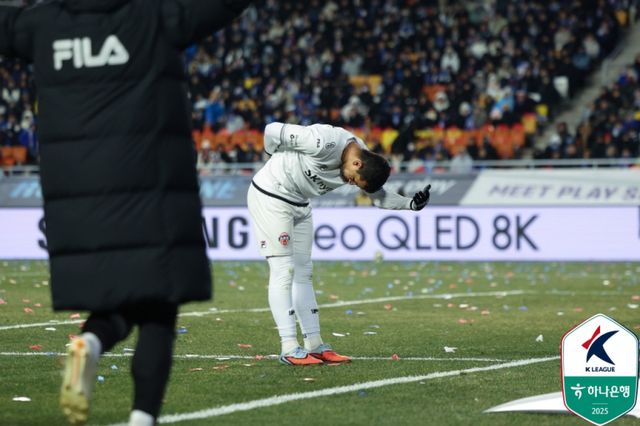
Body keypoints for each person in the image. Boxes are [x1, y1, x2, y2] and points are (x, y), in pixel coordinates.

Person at [0, 0, 253, 424]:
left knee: (121, 296)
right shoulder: (154, 16)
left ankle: (94, 340)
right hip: (149, 186)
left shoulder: (41, 24)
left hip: (77, 196)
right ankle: (141, 417)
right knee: (159, 305)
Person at [247, 122, 431, 365]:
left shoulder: (362, 157)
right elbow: (271, 129)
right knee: (284, 269)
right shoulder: (322, 141)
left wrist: (410, 204)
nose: (351, 183)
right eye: (354, 180)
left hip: (300, 203)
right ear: (357, 164)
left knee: (304, 272)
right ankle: (289, 346)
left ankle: (314, 345)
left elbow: (379, 197)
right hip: (271, 195)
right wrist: (272, 155)